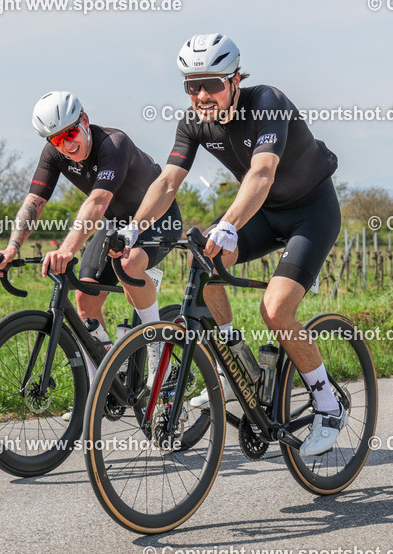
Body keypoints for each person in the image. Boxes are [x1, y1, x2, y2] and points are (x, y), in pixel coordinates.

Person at [113, 34, 343, 456]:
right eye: (191, 86)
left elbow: (262, 172)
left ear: (236, 79)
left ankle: (327, 404)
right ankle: (232, 367)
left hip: (310, 212)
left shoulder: (268, 102)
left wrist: (230, 224)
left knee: (275, 310)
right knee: (205, 267)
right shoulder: (193, 123)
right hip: (261, 213)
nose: (201, 95)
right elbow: (166, 181)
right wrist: (134, 228)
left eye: (212, 84)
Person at [0, 91, 182, 379]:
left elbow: (98, 202)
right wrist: (12, 248)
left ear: (85, 121)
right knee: (85, 296)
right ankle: (100, 387)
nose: (66, 144)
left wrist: (67, 249)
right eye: (56, 140)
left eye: (71, 133)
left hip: (158, 219)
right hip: (116, 224)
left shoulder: (114, 144)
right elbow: (34, 202)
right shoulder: (54, 155)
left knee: (129, 265)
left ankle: (158, 355)